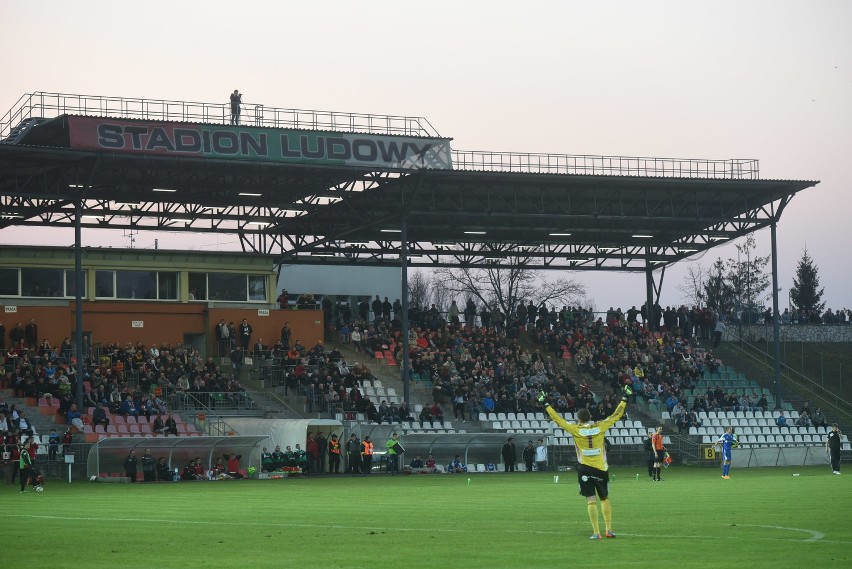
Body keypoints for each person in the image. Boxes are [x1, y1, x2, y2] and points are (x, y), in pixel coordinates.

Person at [538, 385, 629, 540]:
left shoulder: (575, 429)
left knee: (590, 500)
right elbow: (616, 415)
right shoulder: (600, 426)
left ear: (579, 419)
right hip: (601, 468)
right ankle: (609, 529)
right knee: (604, 498)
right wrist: (625, 398)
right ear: (590, 417)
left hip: (585, 469)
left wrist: (546, 404)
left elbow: (557, 420)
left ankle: (596, 533)